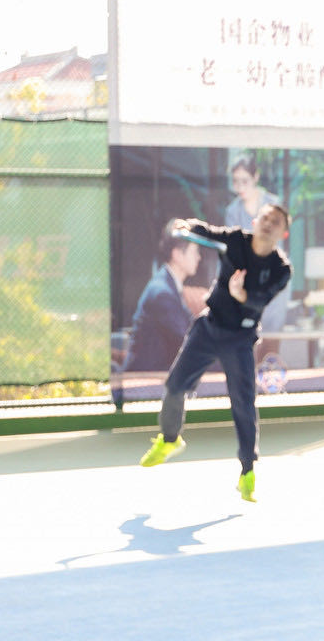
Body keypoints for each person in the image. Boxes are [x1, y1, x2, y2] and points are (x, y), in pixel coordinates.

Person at [139, 204, 293, 503]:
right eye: (265, 217)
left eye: (276, 221)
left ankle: (247, 472)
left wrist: (241, 295)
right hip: (209, 329)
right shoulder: (235, 240)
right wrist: (187, 225)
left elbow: (261, 300)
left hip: (241, 339)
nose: (268, 223)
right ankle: (170, 439)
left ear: (283, 233)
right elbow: (206, 231)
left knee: (244, 405)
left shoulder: (281, 269)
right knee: (175, 386)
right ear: (255, 221)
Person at [121, 221, 207, 373]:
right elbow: (189, 340)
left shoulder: (169, 287)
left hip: (156, 377)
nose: (199, 257)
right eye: (195, 252)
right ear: (177, 255)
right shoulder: (162, 293)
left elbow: (193, 327)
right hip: (144, 381)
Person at [224, 156, 289, 334]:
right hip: (247, 280)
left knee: (272, 336)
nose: (240, 187)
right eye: (235, 181)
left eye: (244, 181)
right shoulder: (233, 211)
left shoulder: (274, 204)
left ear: (256, 177)